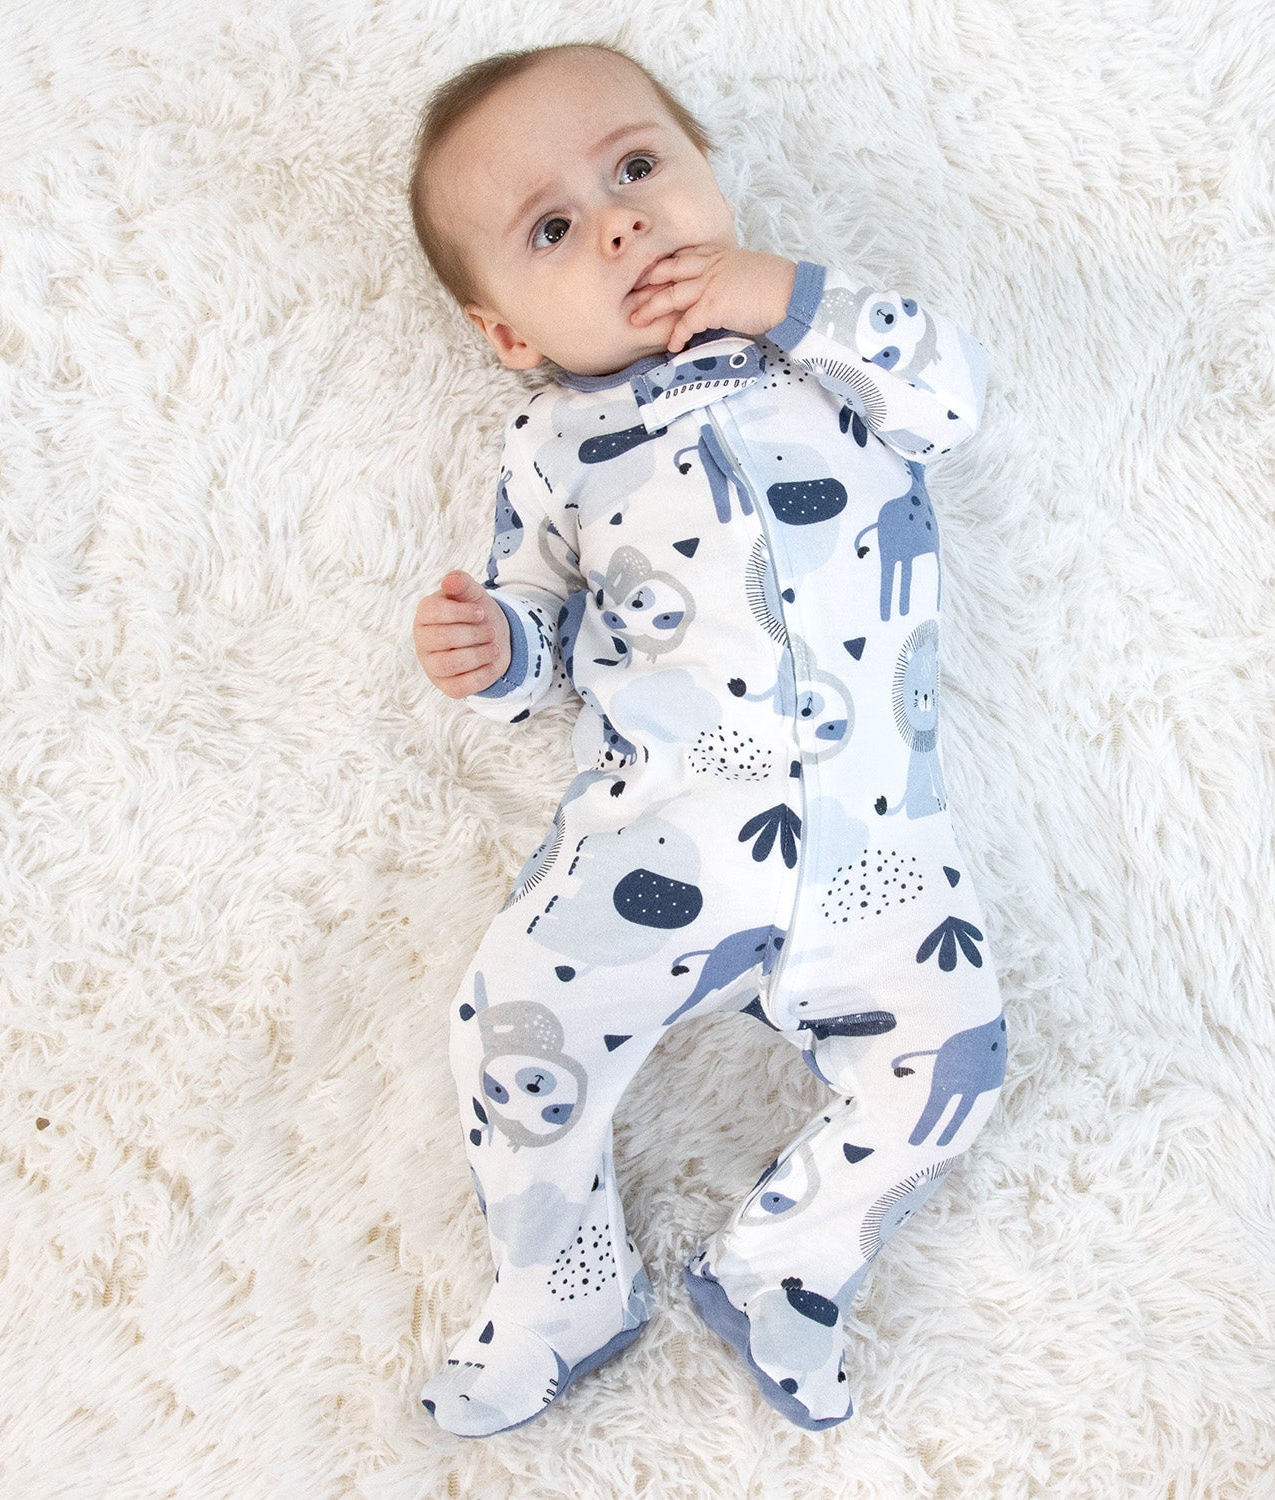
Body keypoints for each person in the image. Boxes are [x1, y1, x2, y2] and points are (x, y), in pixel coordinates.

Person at [408, 39, 1007, 1437]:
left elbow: (953, 400)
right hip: (664, 828)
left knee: (959, 1054)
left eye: (637, 168)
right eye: (553, 228)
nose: (619, 220)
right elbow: (548, 635)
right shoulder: (557, 444)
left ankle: (784, 1266)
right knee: (510, 1030)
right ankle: (569, 1291)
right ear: (512, 332)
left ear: (709, 179)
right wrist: (496, 652)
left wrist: (789, 300)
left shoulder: (823, 350)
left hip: (879, 843)